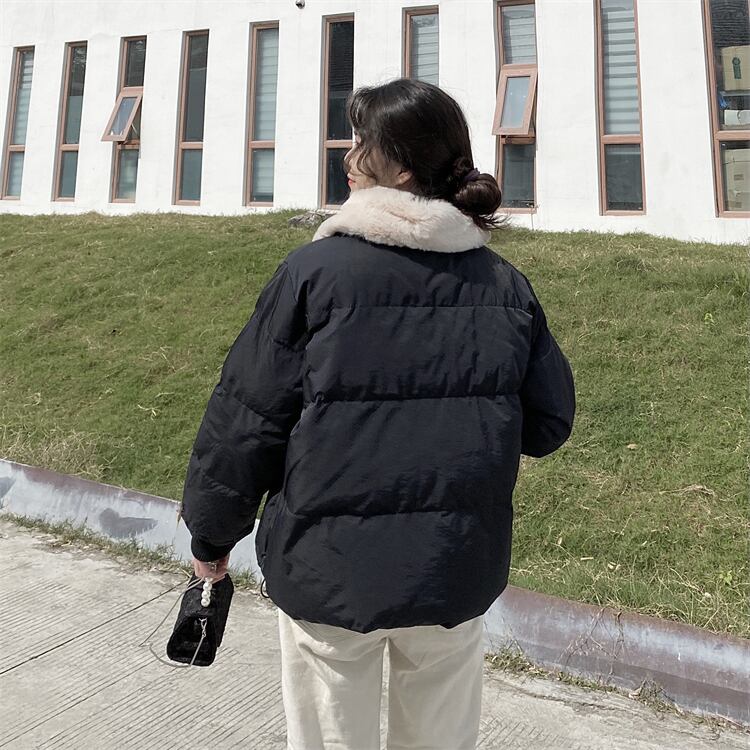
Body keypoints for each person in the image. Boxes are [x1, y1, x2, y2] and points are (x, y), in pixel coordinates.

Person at [180, 78, 575, 750]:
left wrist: (211, 542)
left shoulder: (315, 274)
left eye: (363, 141)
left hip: (329, 573)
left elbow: (245, 424)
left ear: (401, 167)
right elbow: (547, 424)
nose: (349, 155)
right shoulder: (504, 286)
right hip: (453, 567)